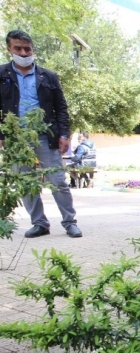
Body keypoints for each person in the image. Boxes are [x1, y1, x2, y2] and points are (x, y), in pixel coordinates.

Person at [0, 30, 81, 238]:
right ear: (9, 49)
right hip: (16, 138)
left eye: (27, 48)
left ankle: (70, 222)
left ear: (33, 49)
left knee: (58, 181)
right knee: (26, 182)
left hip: (46, 135)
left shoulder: (48, 76)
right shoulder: (2, 75)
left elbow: (60, 108)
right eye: (18, 48)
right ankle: (39, 223)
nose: (23, 52)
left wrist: (64, 134)